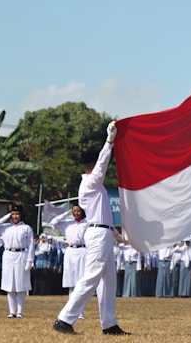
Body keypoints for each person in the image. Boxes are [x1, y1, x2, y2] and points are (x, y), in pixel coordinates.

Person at [53, 121, 130, 335]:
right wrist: (109, 142)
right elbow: (103, 165)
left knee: (108, 280)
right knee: (91, 277)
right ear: (93, 164)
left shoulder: (96, 186)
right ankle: (65, 319)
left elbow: (103, 217)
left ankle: (109, 323)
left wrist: (117, 236)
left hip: (103, 231)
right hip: (97, 233)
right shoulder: (90, 183)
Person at [0, 204, 35, 318]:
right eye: (13, 214)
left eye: (17, 214)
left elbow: (31, 245)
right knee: (10, 284)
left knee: (20, 284)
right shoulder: (5, 227)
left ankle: (19, 312)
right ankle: (12, 311)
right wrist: (7, 215)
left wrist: (30, 261)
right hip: (8, 255)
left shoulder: (26, 228)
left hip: (21, 255)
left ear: (21, 215)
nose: (15, 216)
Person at [50, 204, 88, 315]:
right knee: (71, 281)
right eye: (74, 211)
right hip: (70, 251)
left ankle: (79, 311)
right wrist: (65, 214)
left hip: (82, 251)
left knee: (80, 281)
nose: (76, 213)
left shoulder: (87, 224)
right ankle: (72, 310)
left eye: (78, 211)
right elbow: (53, 223)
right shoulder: (67, 223)